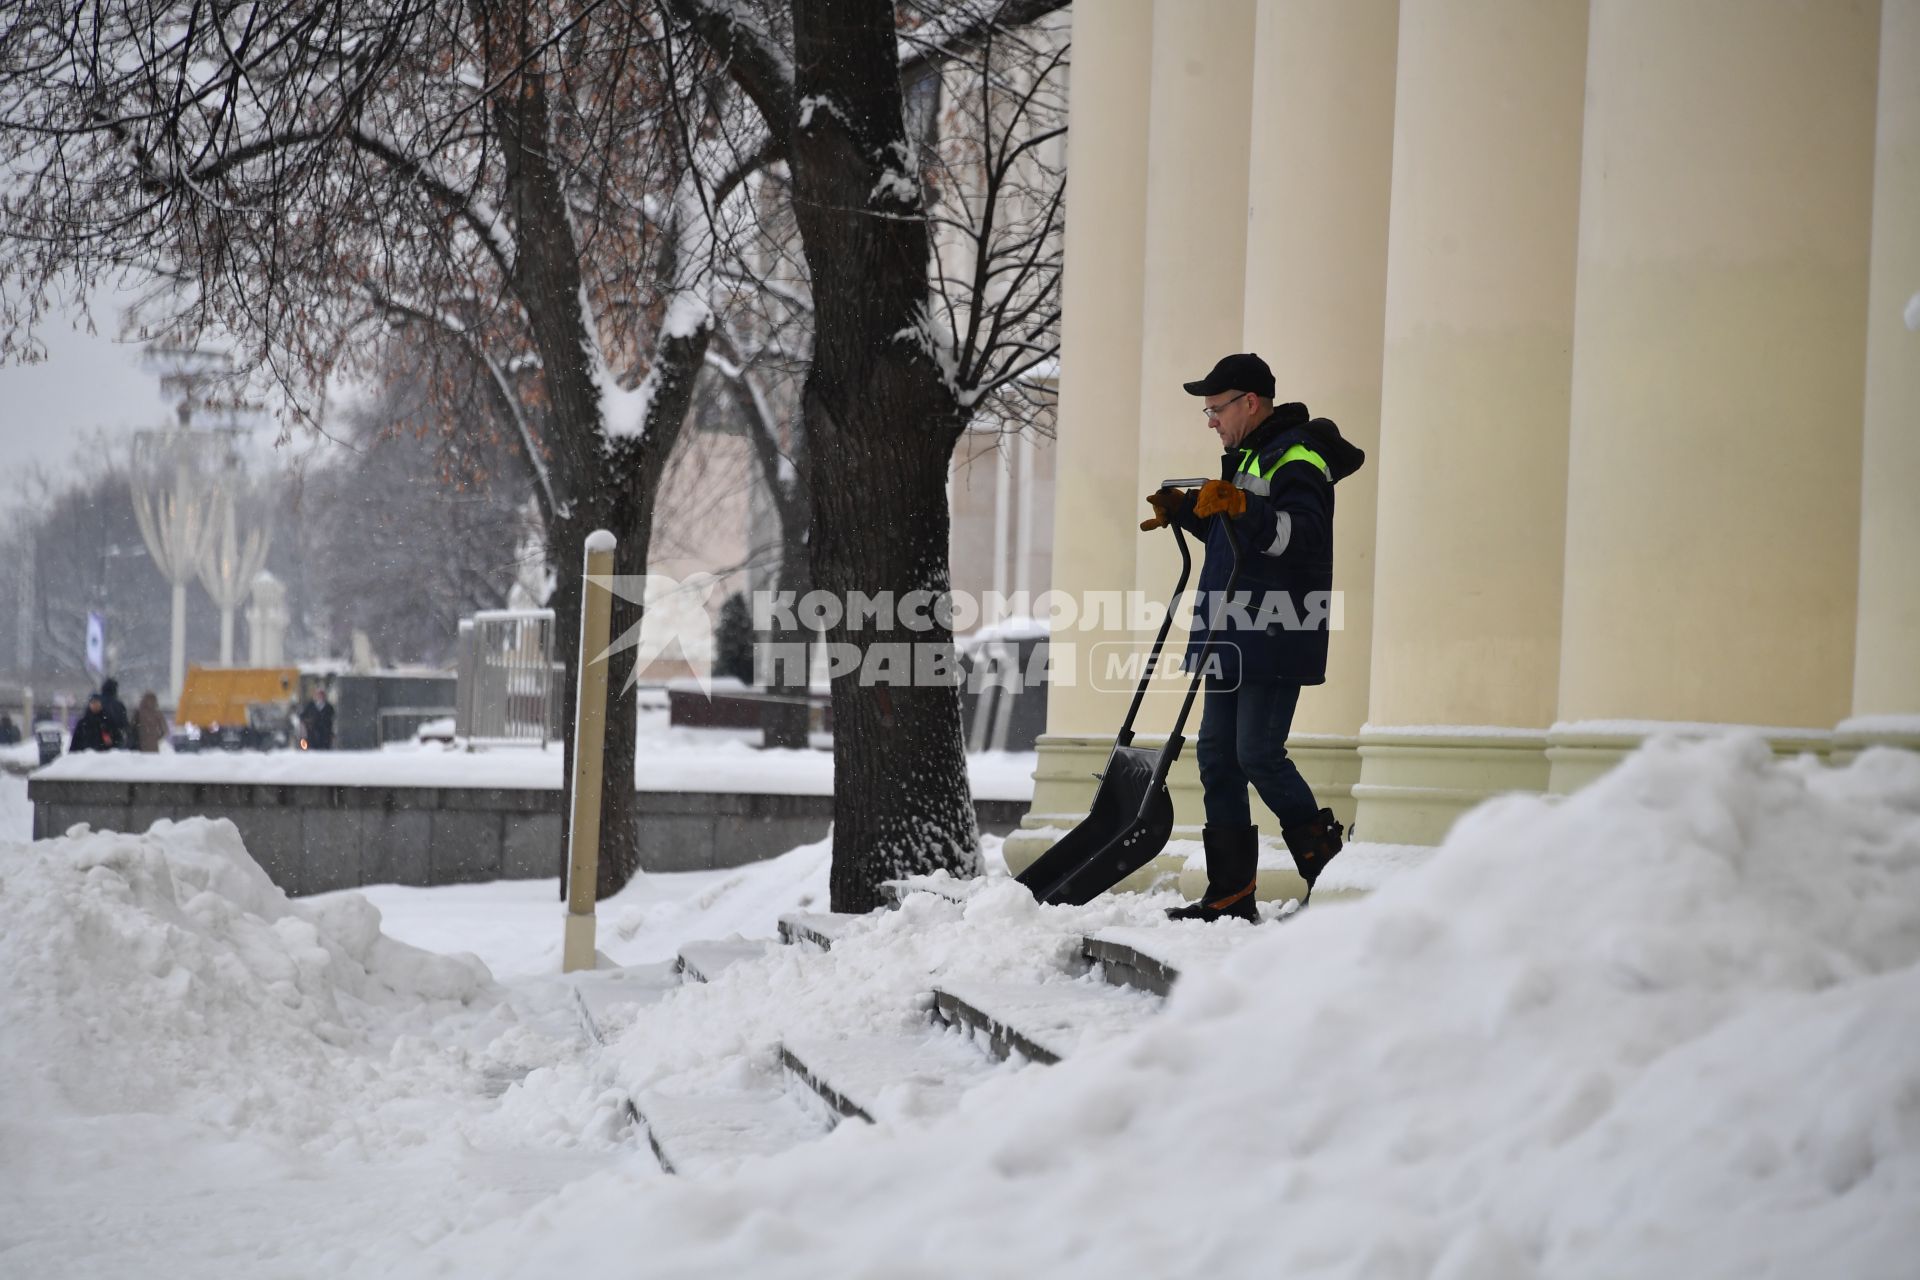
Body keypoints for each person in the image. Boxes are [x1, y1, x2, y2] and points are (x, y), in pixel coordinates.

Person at [1142, 352, 1366, 922]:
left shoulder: (1297, 456)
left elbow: (1301, 536)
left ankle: (1333, 878)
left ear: (1250, 402)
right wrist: (1191, 514)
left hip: (1274, 629)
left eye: (1216, 408)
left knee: (1258, 754)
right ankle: (1231, 893)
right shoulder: (1245, 456)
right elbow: (1238, 536)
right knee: (1217, 758)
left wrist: (1240, 507)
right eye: (1207, 412)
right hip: (1232, 631)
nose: (1211, 420)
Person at [99, 676, 132, 749]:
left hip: (98, 739)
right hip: (117, 738)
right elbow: (125, 723)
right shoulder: (119, 705)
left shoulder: (98, 702)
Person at [300, 686, 335, 750]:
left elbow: (332, 719)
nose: (320, 697)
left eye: (322, 695)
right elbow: (302, 716)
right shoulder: (311, 705)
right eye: (319, 695)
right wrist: (308, 722)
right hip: (312, 734)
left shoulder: (329, 707)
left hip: (325, 735)